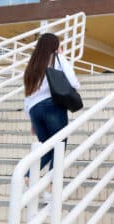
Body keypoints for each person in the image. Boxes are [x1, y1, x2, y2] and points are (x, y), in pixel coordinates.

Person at [23, 33, 80, 198]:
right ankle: (51, 189)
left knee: (48, 147)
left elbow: (28, 97)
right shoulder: (57, 59)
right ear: (55, 46)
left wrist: (32, 121)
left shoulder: (32, 65)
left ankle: (26, 177)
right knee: (59, 146)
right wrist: (62, 57)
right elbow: (74, 82)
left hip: (34, 111)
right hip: (52, 106)